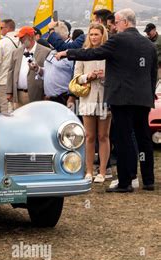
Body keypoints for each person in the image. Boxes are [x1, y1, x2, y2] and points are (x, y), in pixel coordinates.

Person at [57, 9, 157, 192]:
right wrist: (150, 96)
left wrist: (67, 52)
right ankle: (149, 180)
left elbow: (93, 54)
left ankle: (125, 182)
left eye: (116, 22)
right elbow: (152, 74)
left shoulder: (117, 40)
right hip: (143, 99)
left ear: (125, 23)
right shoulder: (148, 44)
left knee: (123, 139)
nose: (113, 26)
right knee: (143, 139)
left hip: (122, 98)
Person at [72, 23, 111, 183]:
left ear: (103, 35)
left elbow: (115, 76)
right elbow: (76, 77)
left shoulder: (109, 54)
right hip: (87, 99)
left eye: (97, 34)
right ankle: (88, 171)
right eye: (92, 34)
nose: (94, 37)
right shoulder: (83, 53)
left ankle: (102, 171)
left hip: (104, 98)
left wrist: (104, 77)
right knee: (89, 136)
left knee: (103, 135)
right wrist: (89, 76)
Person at [6, 26, 51, 109]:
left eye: (22, 37)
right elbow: (10, 72)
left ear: (30, 37)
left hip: (36, 95)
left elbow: (49, 74)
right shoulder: (16, 52)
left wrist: (47, 94)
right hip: (18, 95)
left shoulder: (46, 51)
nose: (20, 40)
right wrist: (9, 92)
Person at [0, 19, 19, 113]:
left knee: (5, 107)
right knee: (18, 107)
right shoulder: (21, 41)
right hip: (19, 80)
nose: (0, 30)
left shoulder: (1, 43)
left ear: (8, 28)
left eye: (1, 28)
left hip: (3, 80)